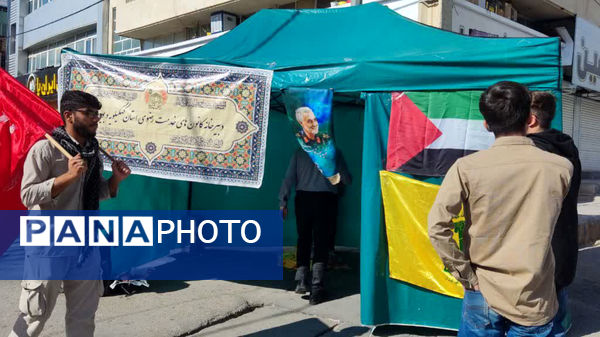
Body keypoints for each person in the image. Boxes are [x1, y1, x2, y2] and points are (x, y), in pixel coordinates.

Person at [428, 81, 573, 336]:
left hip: (483, 289)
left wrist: (466, 276)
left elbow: (437, 227)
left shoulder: (466, 167)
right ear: (529, 118)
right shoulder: (561, 167)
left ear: (486, 124)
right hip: (534, 293)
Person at [10, 90, 131, 337]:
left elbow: (96, 192)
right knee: (35, 316)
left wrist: (115, 181)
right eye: (88, 113)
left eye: (97, 114)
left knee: (83, 320)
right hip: (49, 247)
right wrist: (67, 177)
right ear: (68, 115)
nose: (95, 119)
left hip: (85, 247)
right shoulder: (45, 150)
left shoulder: (92, 153)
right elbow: (27, 196)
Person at [527, 91, 582, 337]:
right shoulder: (566, 145)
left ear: (531, 119)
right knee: (557, 296)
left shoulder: (535, 153)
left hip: (541, 245)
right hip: (563, 238)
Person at [279, 149, 350, 305]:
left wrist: (283, 202)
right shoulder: (334, 152)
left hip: (303, 199)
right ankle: (317, 287)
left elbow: (289, 178)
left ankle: (301, 281)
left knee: (303, 238)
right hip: (326, 199)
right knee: (321, 241)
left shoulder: (299, 152)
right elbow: (346, 179)